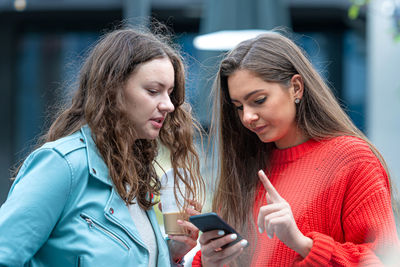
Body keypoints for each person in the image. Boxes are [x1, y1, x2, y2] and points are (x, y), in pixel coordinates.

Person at [191, 31, 400, 266]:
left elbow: (384, 260)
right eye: (238, 107)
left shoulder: (352, 159)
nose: (247, 116)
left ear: (296, 87)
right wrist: (209, 261)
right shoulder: (245, 167)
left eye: (258, 100)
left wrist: (302, 244)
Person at [0, 27, 205, 266]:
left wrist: (172, 252)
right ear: (113, 89)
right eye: (153, 91)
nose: (168, 105)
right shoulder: (62, 164)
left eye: (170, 93)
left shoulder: (133, 175)